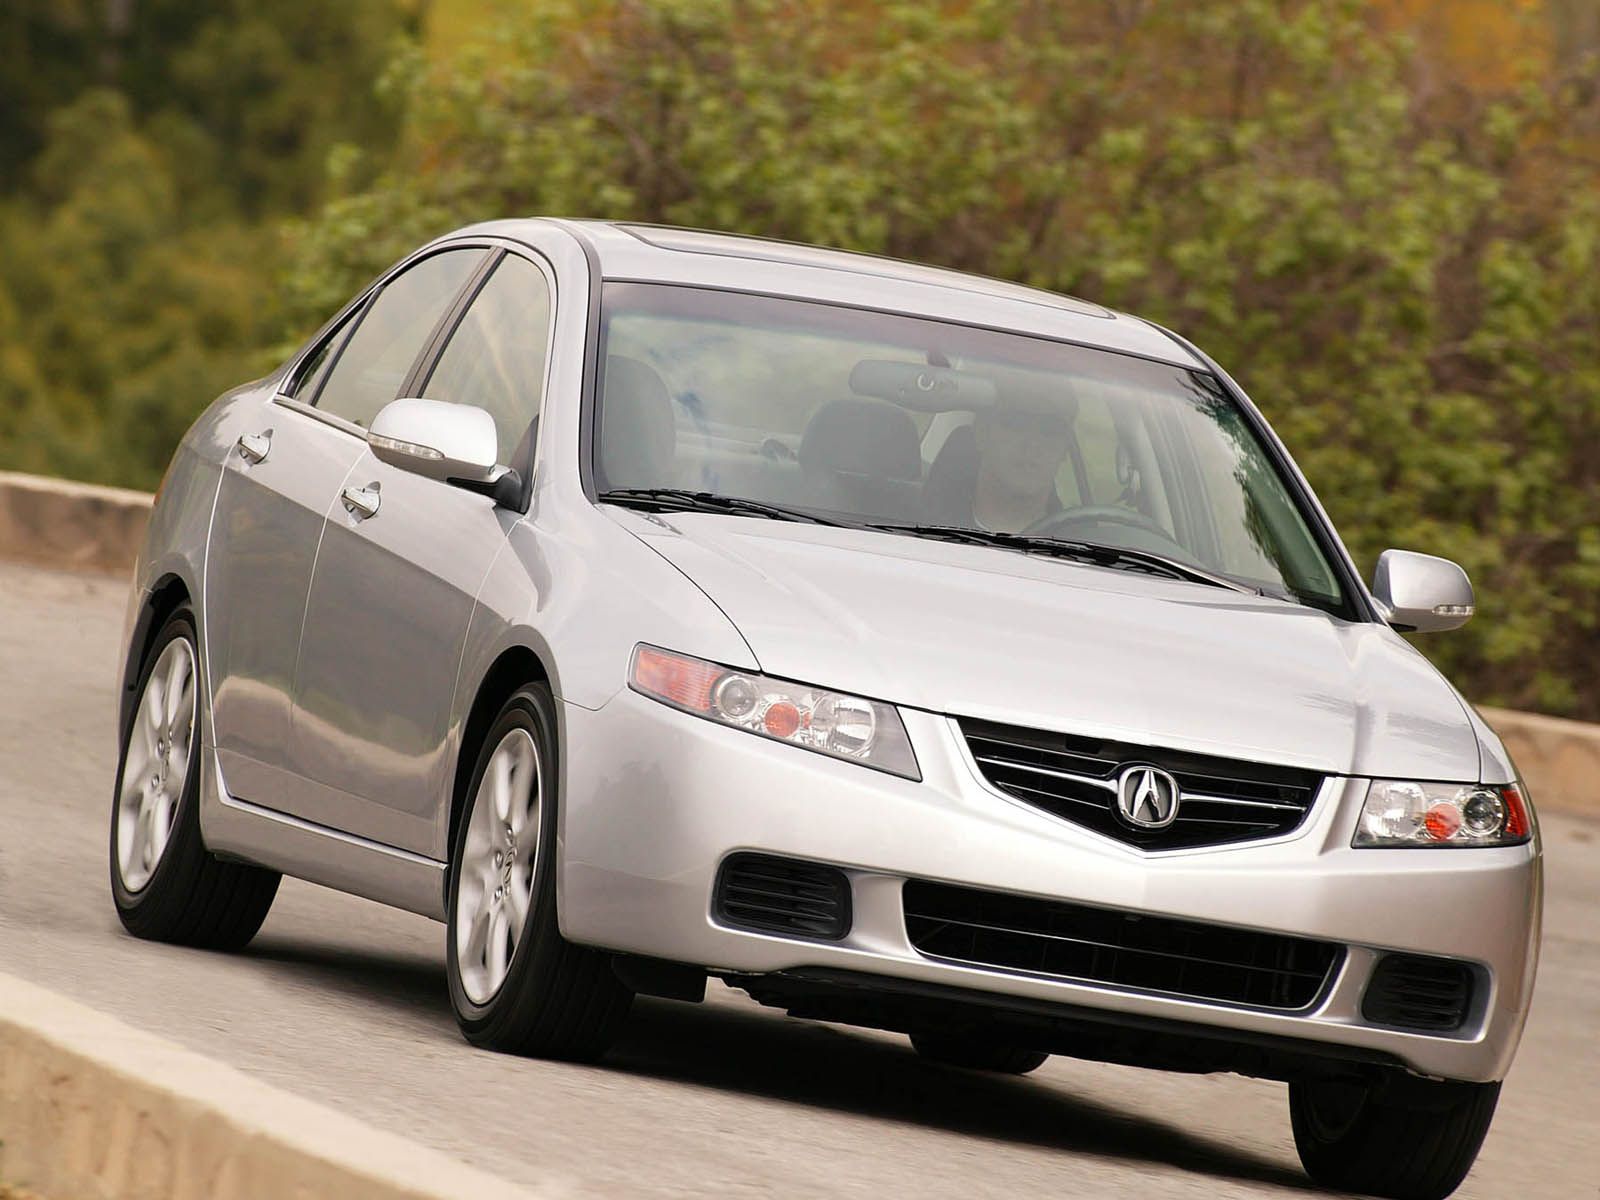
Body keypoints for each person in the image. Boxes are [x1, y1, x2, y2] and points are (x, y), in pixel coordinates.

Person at [923, 398, 1077, 533]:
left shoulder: (1083, 550)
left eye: (1050, 430)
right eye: (1016, 423)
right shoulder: (910, 527)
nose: (1032, 444)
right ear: (981, 433)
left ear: (1065, 448)